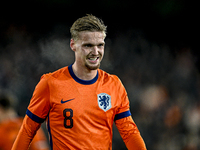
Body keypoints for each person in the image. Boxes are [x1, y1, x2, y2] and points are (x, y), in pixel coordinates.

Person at [12, 14, 147, 150]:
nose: (96, 52)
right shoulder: (50, 83)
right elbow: (27, 130)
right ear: (73, 45)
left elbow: (129, 133)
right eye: (88, 45)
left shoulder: (114, 85)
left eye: (100, 45)